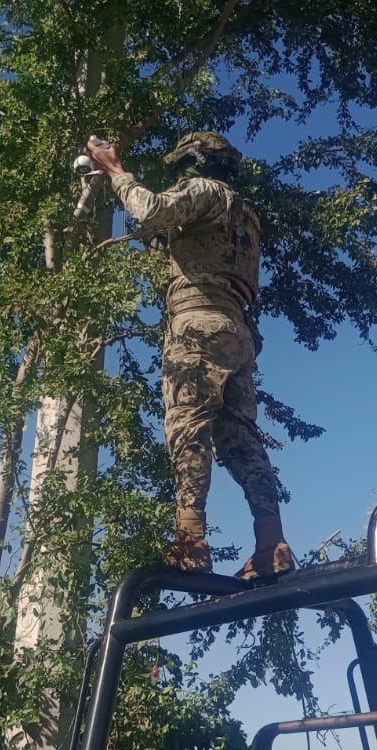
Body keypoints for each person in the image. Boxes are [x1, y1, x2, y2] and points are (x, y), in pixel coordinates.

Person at [84, 132, 294, 581]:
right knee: (240, 438)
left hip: (197, 323)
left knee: (188, 427)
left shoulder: (204, 191)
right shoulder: (245, 213)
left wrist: (115, 171)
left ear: (195, 162)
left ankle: (191, 541)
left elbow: (153, 210)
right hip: (237, 329)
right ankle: (271, 543)